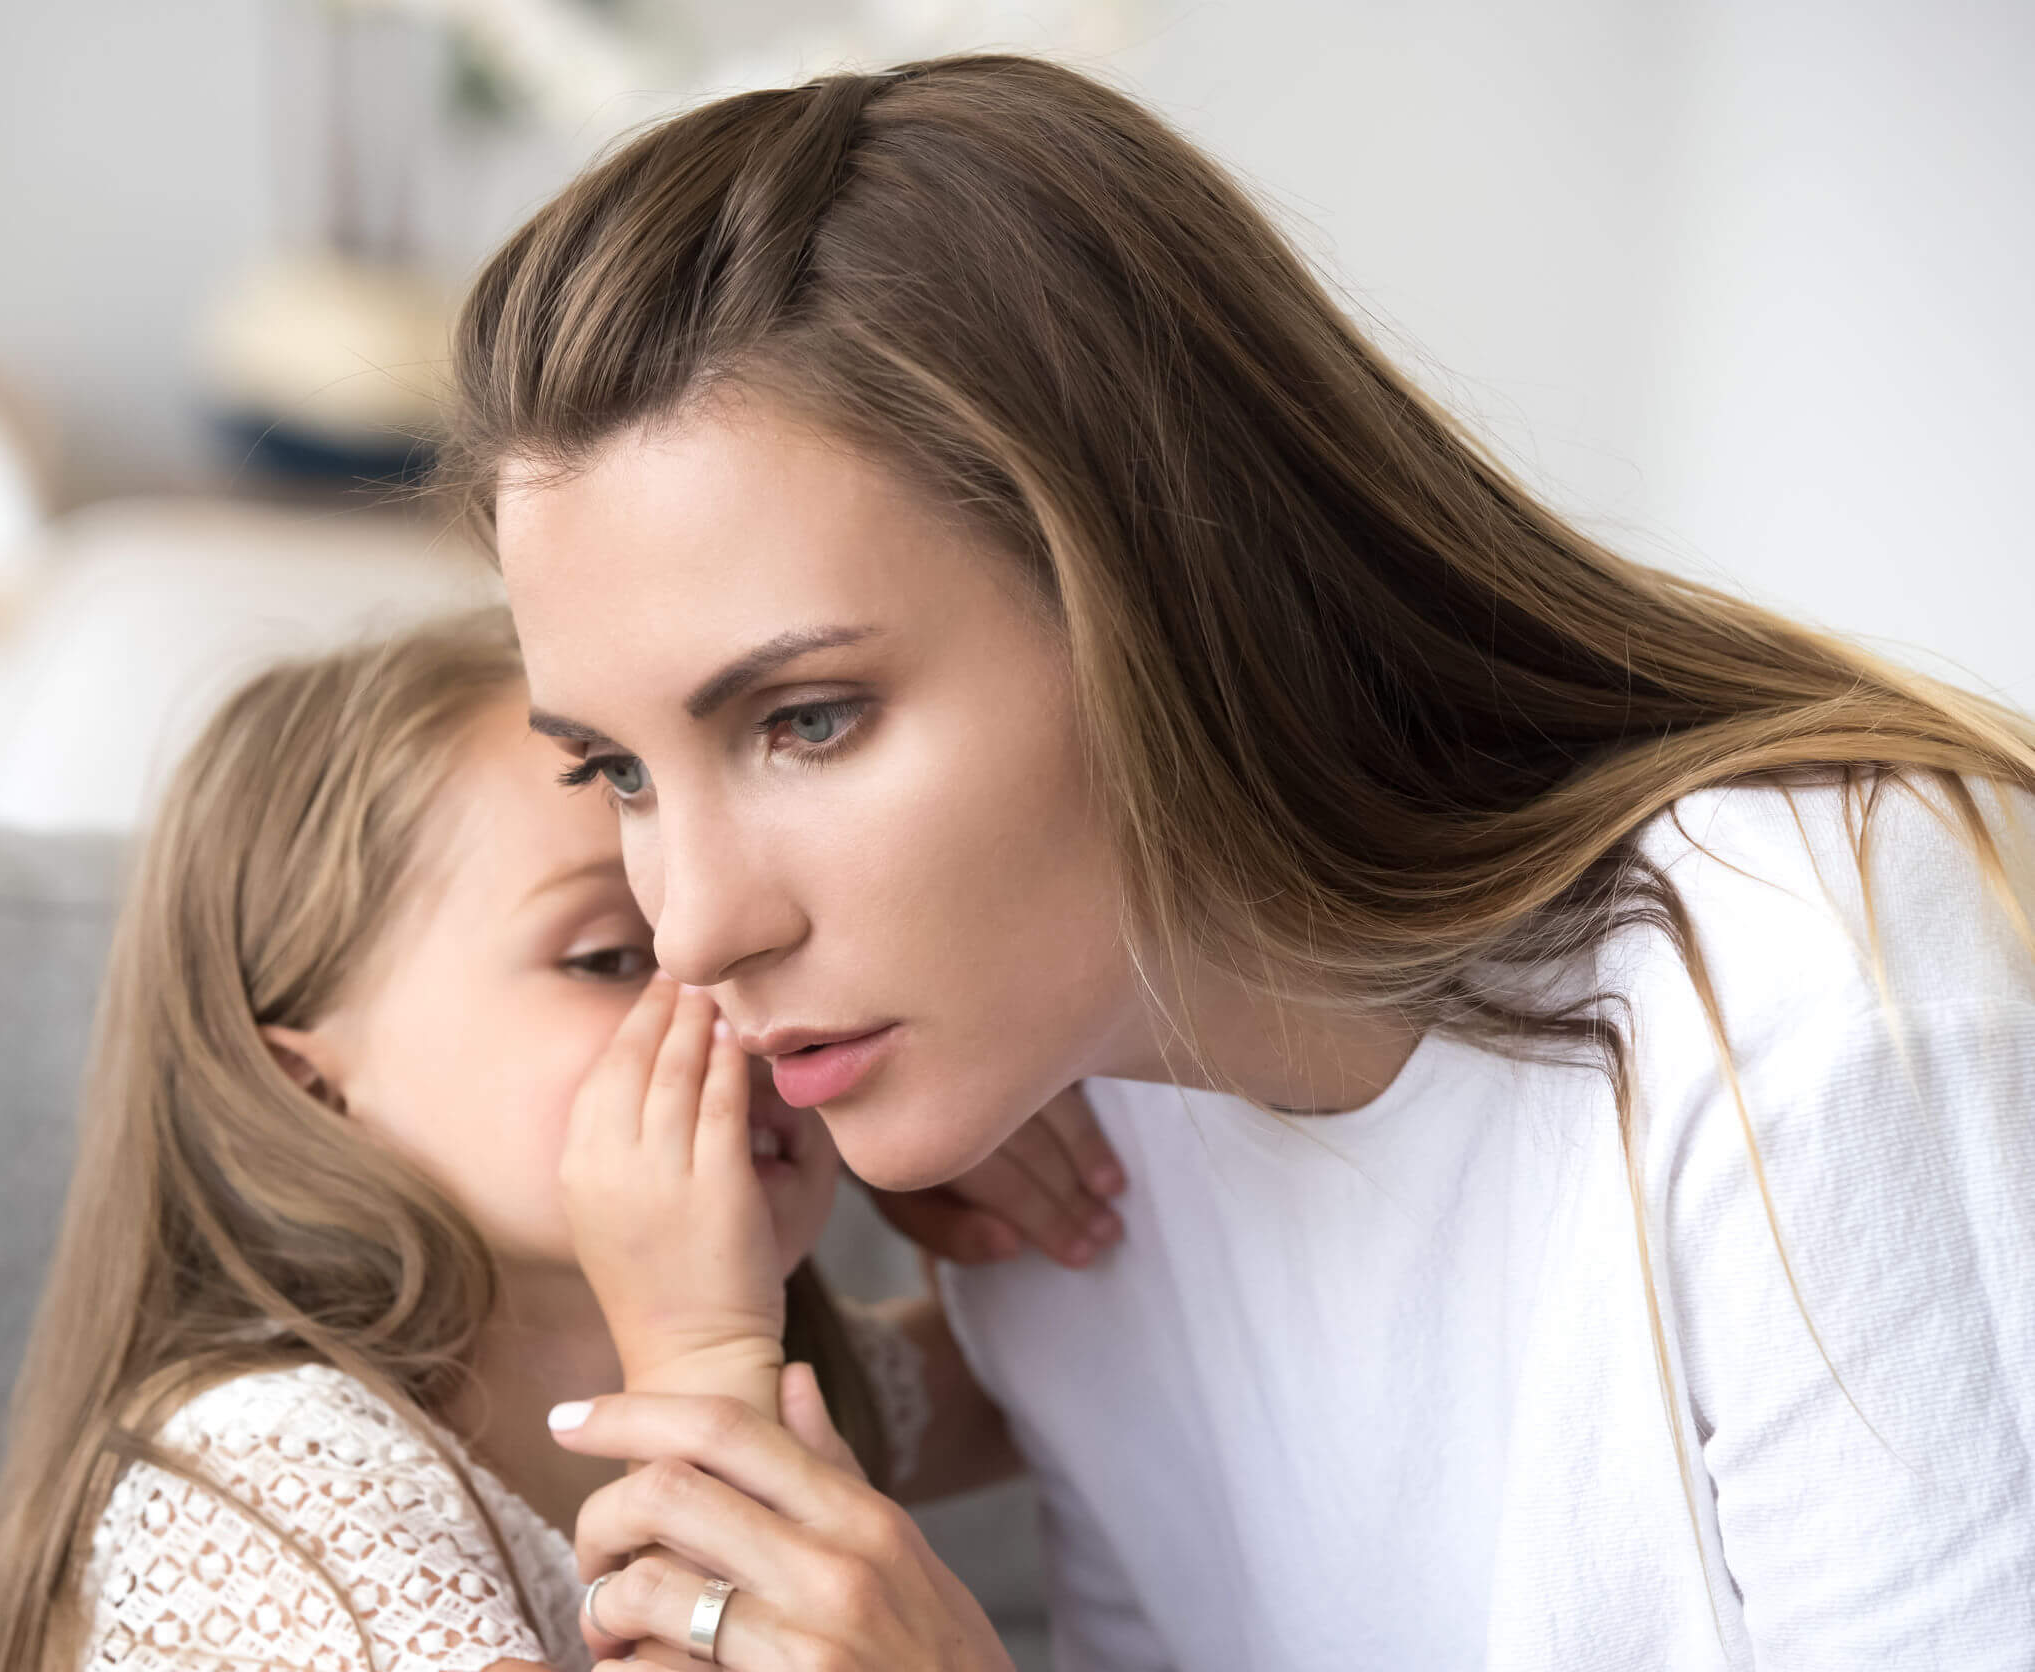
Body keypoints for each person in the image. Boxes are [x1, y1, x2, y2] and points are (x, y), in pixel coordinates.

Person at [449, 53, 2035, 1672]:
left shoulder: (1802, 979)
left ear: (1149, 589)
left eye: (807, 719)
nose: (699, 923)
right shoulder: (1054, 1141)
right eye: (617, 770)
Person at [0, 610, 1102, 1672]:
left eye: (728, 935)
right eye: (610, 956)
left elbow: (1061, 1378)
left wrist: (965, 1153)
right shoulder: (259, 1475)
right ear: (310, 1089)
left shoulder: (802, 1374)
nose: (728, 993)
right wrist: (701, 1353)